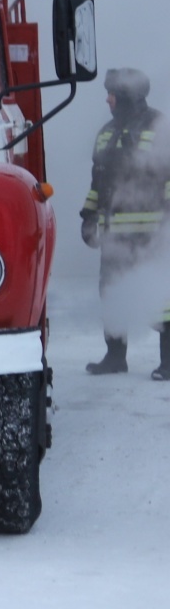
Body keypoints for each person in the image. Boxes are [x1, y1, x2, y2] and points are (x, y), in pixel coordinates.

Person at [81, 68, 170, 378]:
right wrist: (89, 214)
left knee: (162, 296)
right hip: (114, 233)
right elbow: (98, 181)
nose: (107, 99)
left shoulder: (160, 127)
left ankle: (168, 362)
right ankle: (115, 358)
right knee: (111, 292)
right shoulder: (106, 131)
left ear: (127, 96)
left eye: (112, 94)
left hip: (154, 231)